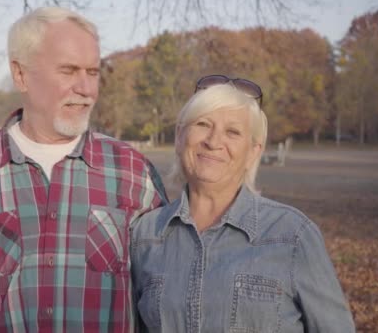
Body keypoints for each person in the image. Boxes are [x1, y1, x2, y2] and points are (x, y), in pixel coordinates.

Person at [0, 7, 167, 332]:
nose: (86, 88)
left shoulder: (134, 173)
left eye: (93, 72)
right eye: (68, 71)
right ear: (21, 75)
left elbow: (164, 293)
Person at [130, 75, 355, 332]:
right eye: (203, 124)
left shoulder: (293, 236)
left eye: (233, 132)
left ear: (254, 151)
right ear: (180, 136)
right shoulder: (145, 236)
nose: (213, 142)